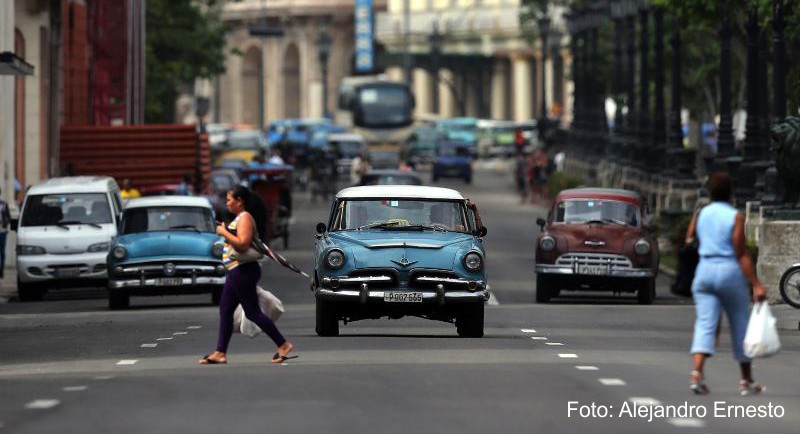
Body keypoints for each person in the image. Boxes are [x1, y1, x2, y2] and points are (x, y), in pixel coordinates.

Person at [684, 171, 767, 396]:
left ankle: (697, 374)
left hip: (704, 272)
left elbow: (688, 239)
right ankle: (746, 381)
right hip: (729, 272)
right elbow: (740, 252)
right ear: (731, 193)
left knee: (705, 324)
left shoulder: (701, 213)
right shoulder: (735, 216)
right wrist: (756, 284)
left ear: (709, 192)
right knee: (740, 325)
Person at [199, 185, 294, 365]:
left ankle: (283, 344)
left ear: (239, 201)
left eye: (229, 200)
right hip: (235, 271)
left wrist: (223, 232)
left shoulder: (245, 218)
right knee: (225, 311)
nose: (227, 203)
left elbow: (242, 244)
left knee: (252, 312)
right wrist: (227, 229)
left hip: (243, 271)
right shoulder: (239, 218)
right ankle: (220, 352)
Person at [0, 188, 11, 279]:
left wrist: (5, 222)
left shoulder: (4, 204)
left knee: (2, 252)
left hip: (2, 231)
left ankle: (1, 271)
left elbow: (8, 216)